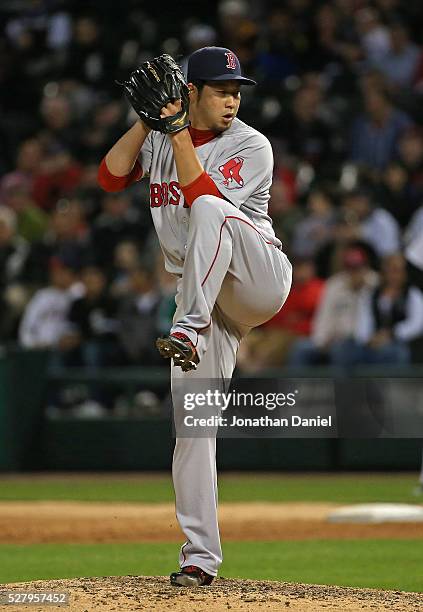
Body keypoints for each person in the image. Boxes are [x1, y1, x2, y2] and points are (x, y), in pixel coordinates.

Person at [98, 47, 292, 586]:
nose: (233, 99)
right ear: (191, 92)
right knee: (193, 427)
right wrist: (145, 125)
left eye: (237, 90)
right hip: (204, 293)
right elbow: (110, 177)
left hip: (256, 279)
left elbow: (204, 196)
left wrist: (177, 131)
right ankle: (199, 560)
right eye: (221, 89)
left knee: (208, 208)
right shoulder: (160, 138)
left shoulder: (250, 143)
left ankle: (185, 326)